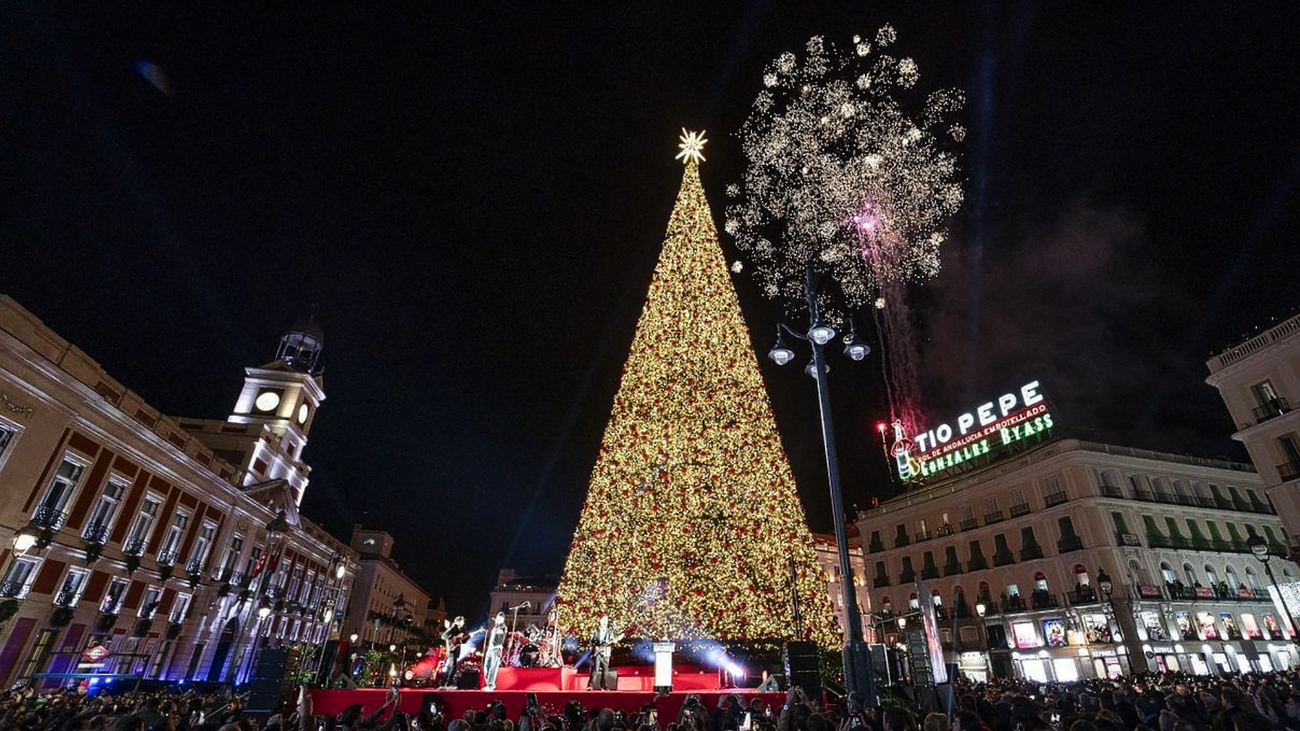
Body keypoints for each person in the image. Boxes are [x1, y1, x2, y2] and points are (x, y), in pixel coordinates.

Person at [588, 615, 623, 691]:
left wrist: (613, 642)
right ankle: (590, 685)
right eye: (603, 620)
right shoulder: (595, 630)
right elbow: (591, 640)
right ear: (600, 621)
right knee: (595, 669)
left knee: (605, 670)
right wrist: (596, 645)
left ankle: (604, 685)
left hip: (606, 652)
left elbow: (612, 641)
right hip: (597, 652)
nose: (605, 622)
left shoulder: (610, 631)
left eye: (606, 620)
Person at [441, 616, 467, 688]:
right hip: (452, 649)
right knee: (452, 666)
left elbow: (462, 641)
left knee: (451, 666)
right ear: (458, 621)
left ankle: (444, 683)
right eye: (461, 621)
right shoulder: (453, 628)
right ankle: (448, 683)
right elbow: (443, 636)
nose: (463, 623)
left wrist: (464, 638)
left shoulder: (461, 630)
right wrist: (453, 637)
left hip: (456, 649)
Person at [483, 612, 507, 691]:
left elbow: (500, 636)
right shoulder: (495, 627)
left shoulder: (503, 627)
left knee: (493, 666)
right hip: (490, 648)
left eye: (500, 618)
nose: (498, 619)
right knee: (486, 666)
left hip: (496, 648)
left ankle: (491, 685)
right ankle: (488, 683)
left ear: (503, 620)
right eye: (498, 618)